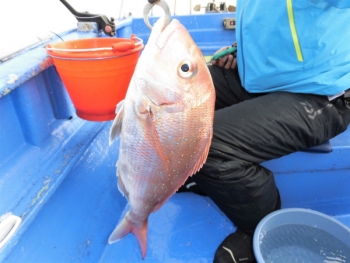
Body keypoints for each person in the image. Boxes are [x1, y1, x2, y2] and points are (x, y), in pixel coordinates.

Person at [180, 1, 350, 262]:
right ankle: (206, 175)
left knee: (203, 143)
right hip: (264, 78)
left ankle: (257, 225)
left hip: (320, 92)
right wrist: (244, 54)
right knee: (176, 93)